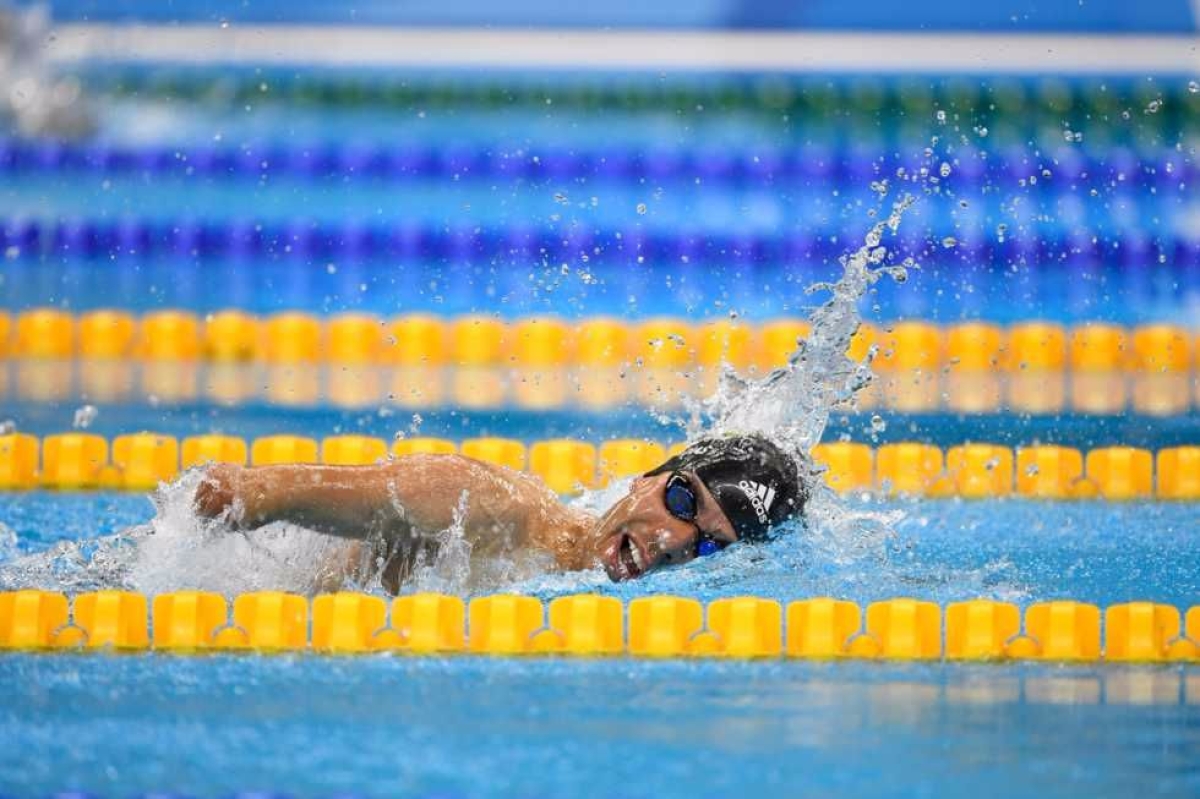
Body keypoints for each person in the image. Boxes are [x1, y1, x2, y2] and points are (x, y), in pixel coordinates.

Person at [194, 434, 804, 590]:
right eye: (680, 499)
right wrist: (253, 492)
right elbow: (373, 494)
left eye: (708, 545)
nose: (673, 540)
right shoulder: (492, 509)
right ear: (649, 476)